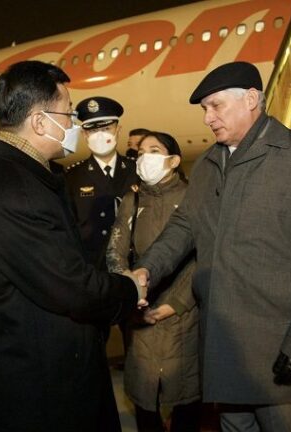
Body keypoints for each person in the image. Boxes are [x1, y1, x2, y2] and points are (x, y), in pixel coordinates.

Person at [132, 61, 291, 432]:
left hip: (279, 348)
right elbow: (184, 226)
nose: (207, 118)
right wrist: (147, 268)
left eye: (215, 106)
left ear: (251, 99)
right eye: (204, 109)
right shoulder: (207, 164)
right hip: (223, 347)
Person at [0, 61, 143, 432]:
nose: (74, 124)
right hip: (42, 389)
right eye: (69, 113)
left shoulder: (19, 174)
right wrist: (129, 288)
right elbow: (72, 287)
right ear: (41, 122)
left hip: (47, 370)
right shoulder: (16, 190)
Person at [107, 131, 200, 432]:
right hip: (140, 309)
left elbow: (203, 258)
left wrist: (177, 303)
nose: (145, 157)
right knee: (145, 399)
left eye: (154, 150)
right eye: (141, 151)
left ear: (173, 161)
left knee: (185, 396)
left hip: (182, 314)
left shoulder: (192, 197)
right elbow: (117, 249)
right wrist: (128, 291)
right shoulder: (132, 200)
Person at [65, 96, 138, 270]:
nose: (100, 135)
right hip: (94, 267)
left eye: (106, 128)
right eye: (92, 130)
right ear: (84, 134)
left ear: (118, 130)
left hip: (134, 264)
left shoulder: (137, 169)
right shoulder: (72, 176)